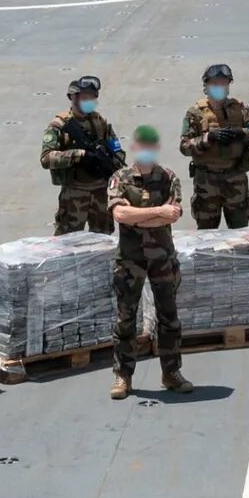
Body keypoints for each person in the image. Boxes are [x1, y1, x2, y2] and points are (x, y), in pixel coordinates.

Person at [106, 124, 194, 398]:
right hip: (130, 260)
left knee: (169, 317)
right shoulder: (119, 177)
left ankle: (171, 372)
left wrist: (138, 215)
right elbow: (119, 214)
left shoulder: (169, 177)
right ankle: (123, 377)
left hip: (162, 258)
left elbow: (173, 215)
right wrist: (155, 212)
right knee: (126, 319)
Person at [178, 63, 249, 227]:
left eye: (223, 84)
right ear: (206, 86)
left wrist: (242, 133)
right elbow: (184, 147)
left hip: (235, 178)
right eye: (215, 84)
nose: (219, 88)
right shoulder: (195, 113)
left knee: (240, 233)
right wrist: (208, 137)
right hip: (206, 182)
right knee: (206, 235)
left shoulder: (241, 109)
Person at [38, 75, 120, 234]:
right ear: (74, 97)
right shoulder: (60, 125)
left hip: (101, 192)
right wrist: (79, 155)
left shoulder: (100, 122)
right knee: (67, 243)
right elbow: (46, 158)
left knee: (103, 242)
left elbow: (117, 152)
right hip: (75, 192)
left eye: (93, 97)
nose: (90, 101)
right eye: (85, 97)